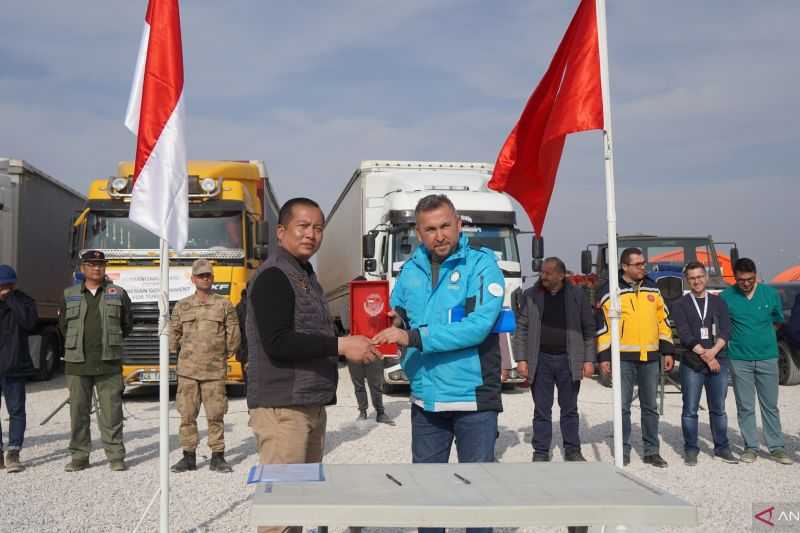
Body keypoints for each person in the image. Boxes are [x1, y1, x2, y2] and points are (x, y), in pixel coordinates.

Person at [246, 198, 381, 533]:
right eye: (302, 226)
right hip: (282, 409)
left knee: (298, 505)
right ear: (281, 232)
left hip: (307, 403)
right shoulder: (274, 276)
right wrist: (340, 345)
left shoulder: (305, 275)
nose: (311, 234)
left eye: (317, 228)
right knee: (280, 515)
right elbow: (278, 342)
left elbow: (311, 332)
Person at [373, 194, 504, 533]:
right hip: (426, 399)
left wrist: (414, 338)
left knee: (477, 499)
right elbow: (399, 311)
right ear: (419, 233)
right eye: (430, 229)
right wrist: (395, 324)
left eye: (446, 226)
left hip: (473, 398)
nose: (440, 235)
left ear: (459, 224)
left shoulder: (482, 265)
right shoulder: (411, 270)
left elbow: (477, 327)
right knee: (428, 499)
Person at [512, 257, 596, 463]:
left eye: (548, 273)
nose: (543, 276)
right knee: (541, 408)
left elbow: (589, 329)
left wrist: (588, 360)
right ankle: (540, 451)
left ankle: (572, 450)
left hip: (569, 359)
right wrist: (521, 359)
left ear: (561, 274)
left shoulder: (577, 295)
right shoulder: (531, 295)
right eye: (542, 272)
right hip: (541, 360)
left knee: (569, 408)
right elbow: (522, 328)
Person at [597, 247, 674, 467]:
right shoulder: (610, 290)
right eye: (638, 264)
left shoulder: (653, 287)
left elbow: (663, 320)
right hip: (622, 357)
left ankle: (651, 451)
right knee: (622, 407)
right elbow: (602, 327)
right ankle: (623, 451)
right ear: (624, 266)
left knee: (650, 406)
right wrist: (604, 356)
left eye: (643, 263)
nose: (643, 267)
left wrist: (667, 350)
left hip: (650, 356)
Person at [58, 250, 132, 472]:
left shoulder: (117, 293)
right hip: (77, 364)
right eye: (91, 264)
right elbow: (63, 327)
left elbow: (127, 323)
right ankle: (79, 457)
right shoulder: (69, 294)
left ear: (105, 267)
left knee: (112, 414)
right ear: (83, 268)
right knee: (78, 414)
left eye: (100, 264)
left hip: (108, 363)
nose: (96, 268)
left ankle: (116, 457)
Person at [169, 258, 241, 473]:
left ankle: (217, 456)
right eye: (200, 275)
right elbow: (173, 335)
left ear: (212, 278)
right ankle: (188, 456)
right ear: (193, 279)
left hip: (213, 371)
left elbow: (234, 335)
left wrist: (222, 356)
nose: (204, 278)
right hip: (188, 372)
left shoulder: (224, 304)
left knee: (215, 414)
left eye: (208, 275)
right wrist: (179, 354)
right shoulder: (182, 306)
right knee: (187, 415)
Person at [721, 258, 792, 465]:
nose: (746, 283)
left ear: (756, 275)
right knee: (745, 405)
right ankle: (750, 447)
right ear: (735, 278)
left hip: (768, 357)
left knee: (770, 405)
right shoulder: (726, 296)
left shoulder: (770, 294)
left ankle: (776, 447)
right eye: (741, 280)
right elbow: (724, 325)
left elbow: (778, 320)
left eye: (750, 279)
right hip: (739, 359)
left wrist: (765, 336)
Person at [671, 261, 737, 465]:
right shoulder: (680, 304)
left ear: (706, 278)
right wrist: (706, 356)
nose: (697, 281)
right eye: (692, 278)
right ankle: (691, 448)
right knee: (690, 408)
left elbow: (726, 330)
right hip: (693, 362)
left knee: (718, 407)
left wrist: (714, 352)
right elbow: (684, 333)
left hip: (719, 360)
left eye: (700, 277)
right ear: (687, 280)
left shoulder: (719, 302)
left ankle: (722, 447)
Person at [0, 265, 38, 473]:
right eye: (1, 286)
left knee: (16, 411)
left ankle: (13, 452)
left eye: (7, 286)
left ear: (14, 285)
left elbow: (30, 323)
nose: (4, 290)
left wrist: (11, 300)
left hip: (14, 365)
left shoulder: (23, 301)